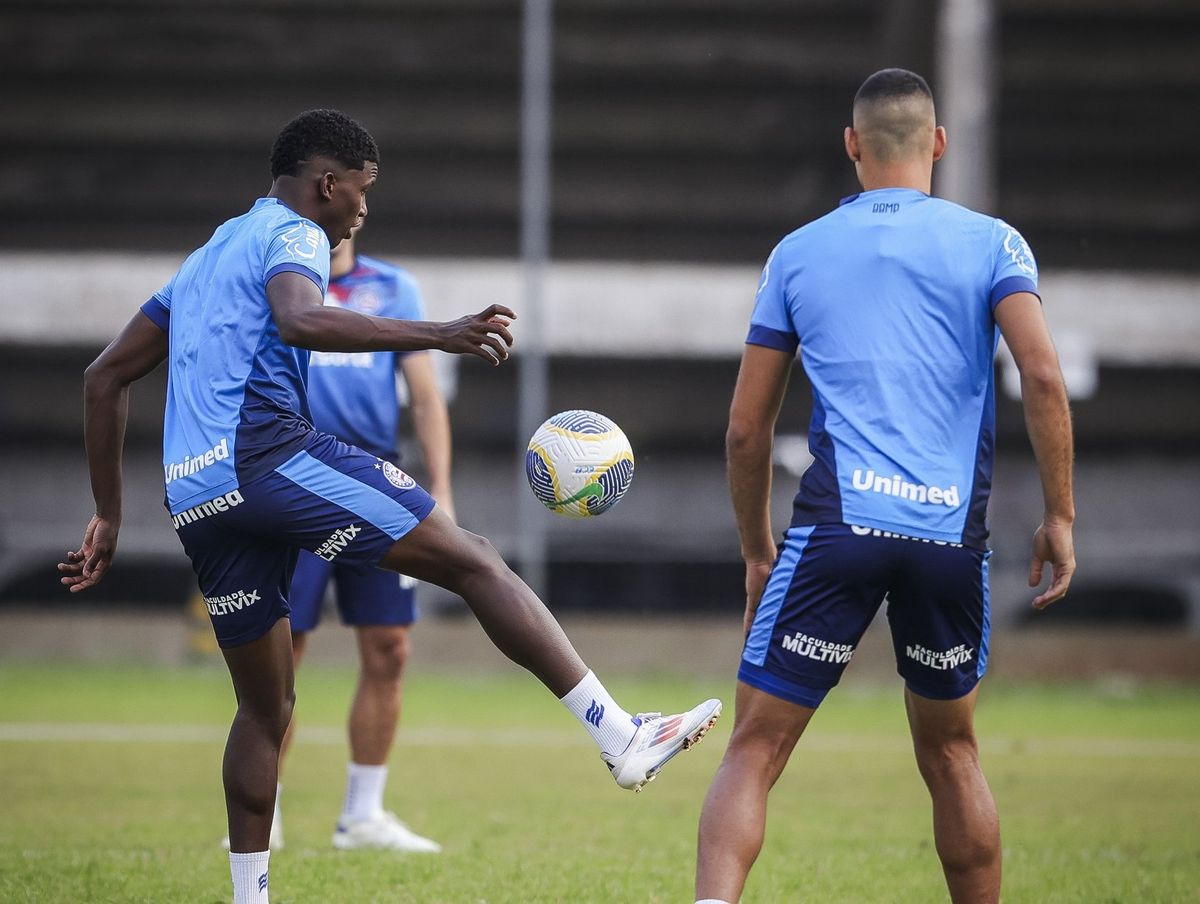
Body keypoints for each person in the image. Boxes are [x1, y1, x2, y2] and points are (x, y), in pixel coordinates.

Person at [58, 108, 721, 904]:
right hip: (268, 454)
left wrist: (109, 513)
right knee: (474, 559)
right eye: (362, 193)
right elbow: (300, 319)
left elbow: (103, 377)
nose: (363, 211)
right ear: (327, 184)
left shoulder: (204, 257)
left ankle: (249, 897)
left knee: (263, 713)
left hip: (197, 495)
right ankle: (620, 735)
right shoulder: (296, 231)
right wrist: (436, 333)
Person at [693, 69, 1075, 904]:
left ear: (850, 145)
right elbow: (1043, 377)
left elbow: (745, 428)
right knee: (953, 754)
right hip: (949, 538)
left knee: (754, 750)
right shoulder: (994, 243)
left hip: (837, 531)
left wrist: (760, 552)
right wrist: (1059, 516)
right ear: (939, 142)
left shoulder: (798, 252)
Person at [228, 226, 453, 854]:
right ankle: (263, 811)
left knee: (390, 647)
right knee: (283, 650)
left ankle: (363, 814)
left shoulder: (393, 285)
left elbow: (427, 400)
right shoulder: (283, 284)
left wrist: (442, 490)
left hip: (378, 477)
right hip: (295, 475)